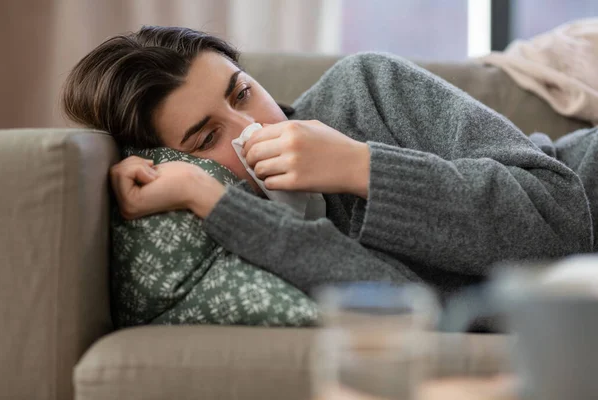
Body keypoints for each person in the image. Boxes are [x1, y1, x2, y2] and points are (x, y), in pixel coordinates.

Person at [62, 26, 596, 300]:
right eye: (207, 137)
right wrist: (211, 199)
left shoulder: (366, 88)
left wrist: (360, 166)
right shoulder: (229, 227)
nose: (254, 128)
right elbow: (410, 309)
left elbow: (562, 221)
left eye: (243, 93)